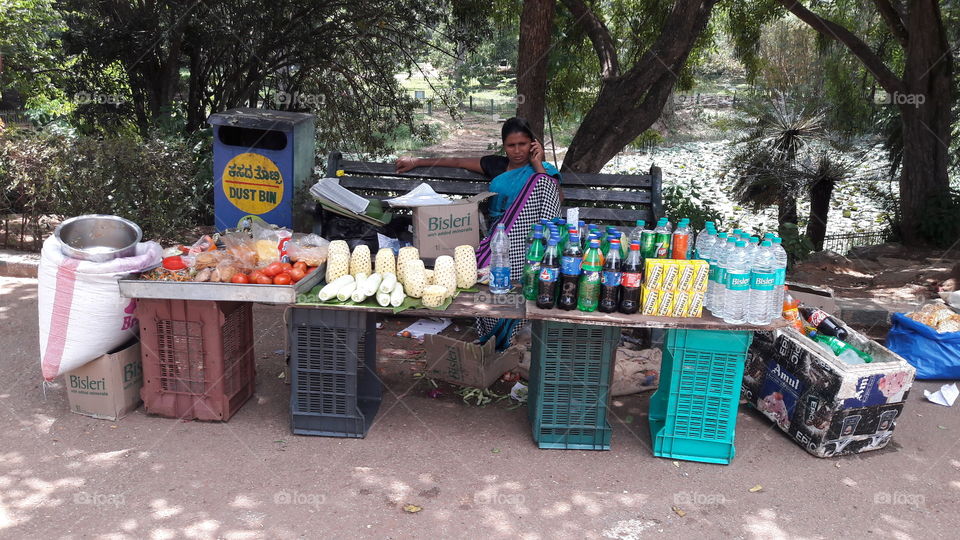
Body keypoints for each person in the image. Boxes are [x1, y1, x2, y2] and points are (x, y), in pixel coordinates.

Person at [395, 117, 562, 349]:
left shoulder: (542, 171)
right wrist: (416, 161)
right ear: (504, 146)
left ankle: (516, 326)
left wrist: (538, 165)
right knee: (489, 273)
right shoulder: (496, 165)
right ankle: (496, 332)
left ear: (533, 144)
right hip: (500, 233)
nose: (517, 151)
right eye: (511, 145)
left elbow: (554, 200)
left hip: (531, 235)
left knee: (541, 183)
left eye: (523, 144)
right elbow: (458, 162)